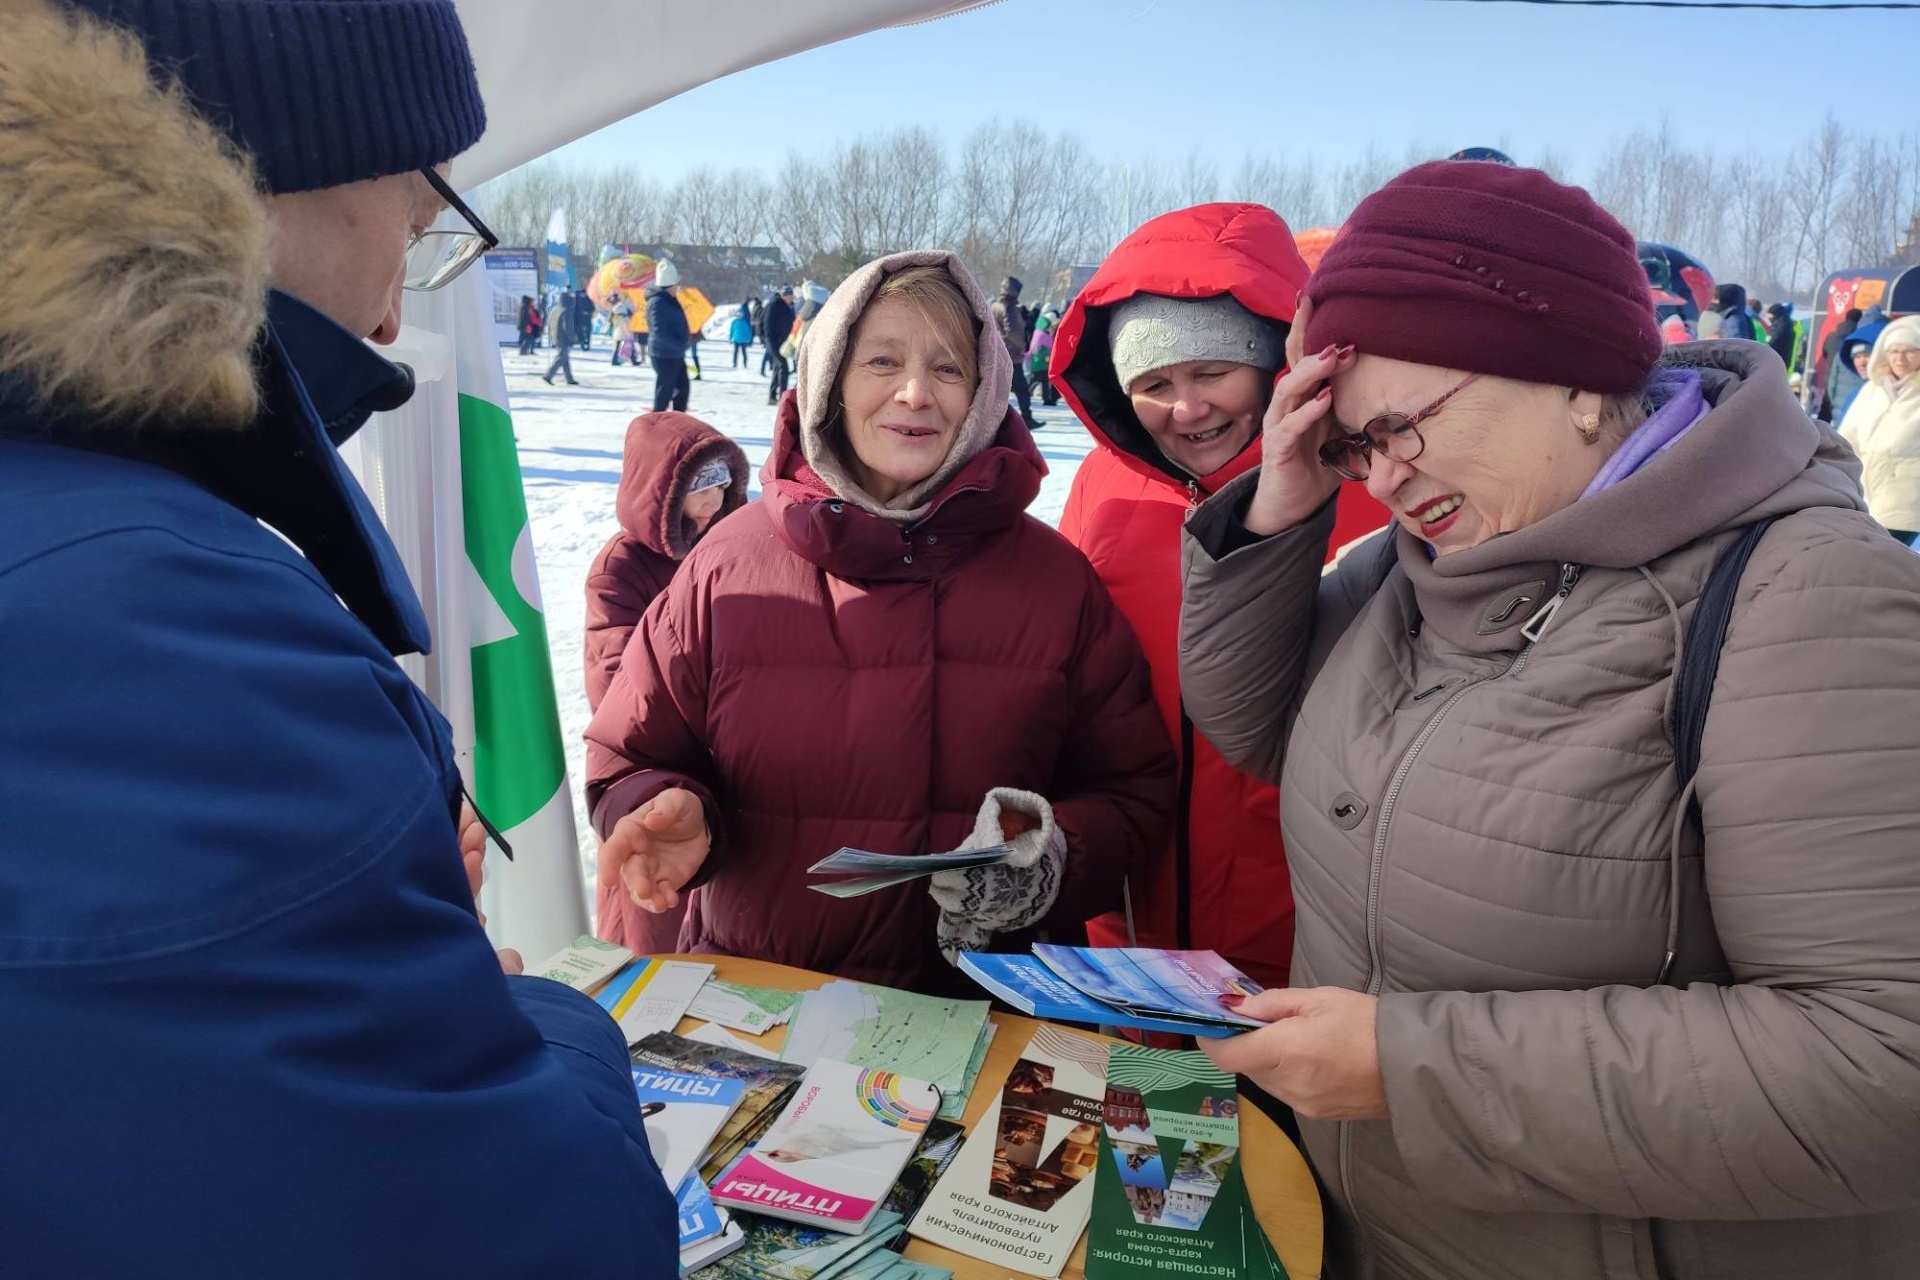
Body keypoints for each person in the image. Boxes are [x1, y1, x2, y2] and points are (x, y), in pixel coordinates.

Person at [0, 0, 679, 1274]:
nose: (386, 324)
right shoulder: (171, 625)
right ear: (262, 175)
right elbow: (537, 1237)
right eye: (418, 230)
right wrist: (537, 1012)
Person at [1179, 161, 1920, 1279]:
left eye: (1402, 428)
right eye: (1353, 448)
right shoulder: (1419, 558)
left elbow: (1884, 1063)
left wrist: (1410, 1067)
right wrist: (1286, 500)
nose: (1383, 478)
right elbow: (1256, 721)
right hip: (1381, 1230)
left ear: (1573, 377)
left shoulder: (1809, 595)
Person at [585, 251, 1174, 994]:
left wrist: (1052, 861)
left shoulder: (1057, 583)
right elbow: (626, 752)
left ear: (987, 388)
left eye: (950, 368)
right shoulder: (724, 566)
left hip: (983, 1018)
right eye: (882, 360)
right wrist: (664, 805)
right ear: (830, 378)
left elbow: (1132, 790)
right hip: (763, 1010)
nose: (915, 393)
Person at [1053, 203, 1393, 991]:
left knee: (1277, 1115)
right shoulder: (1104, 485)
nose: (1188, 407)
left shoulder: (1367, 483)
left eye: (1212, 372)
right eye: (1154, 383)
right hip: (1128, 930)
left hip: (1303, 933)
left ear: (1275, 361)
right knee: (1141, 1110)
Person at [583, 411, 747, 987]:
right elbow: (614, 678)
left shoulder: (735, 546)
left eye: (723, 482)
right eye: (700, 486)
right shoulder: (621, 568)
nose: (716, 498)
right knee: (653, 924)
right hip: (655, 763)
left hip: (724, 771)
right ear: (662, 492)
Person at [1839, 315, 1920, 545]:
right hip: (1866, 495)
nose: (1900, 358)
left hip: (1908, 503)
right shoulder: (1872, 390)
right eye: (1894, 351)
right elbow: (1847, 438)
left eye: (1909, 351)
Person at [994, 275, 1041, 431]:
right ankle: (1026, 418)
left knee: (1000, 390)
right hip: (1012, 355)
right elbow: (1013, 331)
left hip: (1000, 352)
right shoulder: (1008, 307)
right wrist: (1022, 346)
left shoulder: (995, 305)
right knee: (1021, 390)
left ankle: (998, 419)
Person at [647, 261, 692, 412]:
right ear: (669, 285)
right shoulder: (658, 302)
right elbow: (659, 331)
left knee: (682, 388)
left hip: (674, 354)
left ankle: (678, 419)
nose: (678, 288)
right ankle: (657, 422)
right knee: (665, 391)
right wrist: (679, 344)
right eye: (676, 285)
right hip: (664, 354)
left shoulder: (669, 300)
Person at [763, 283, 796, 405]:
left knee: (778, 368)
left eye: (791, 296)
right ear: (783, 296)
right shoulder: (774, 306)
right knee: (784, 367)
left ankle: (772, 396)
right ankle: (782, 397)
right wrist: (770, 342)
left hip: (784, 342)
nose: (791, 299)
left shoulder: (789, 307)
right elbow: (768, 325)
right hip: (774, 342)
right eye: (789, 296)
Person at [543, 290, 579, 385]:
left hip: (556, 337)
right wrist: (573, 338)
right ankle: (548, 375)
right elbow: (567, 327)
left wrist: (551, 336)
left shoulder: (556, 309)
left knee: (564, 358)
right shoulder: (567, 311)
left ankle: (569, 378)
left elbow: (550, 323)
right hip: (563, 338)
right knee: (561, 358)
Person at [1766, 301, 1798, 371]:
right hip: (1782, 361)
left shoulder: (1780, 326)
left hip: (1777, 361)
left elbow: (1773, 341)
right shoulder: (1785, 323)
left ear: (1775, 314)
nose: (1768, 318)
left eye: (1770, 315)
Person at [611, 295, 637, 365]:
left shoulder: (616, 316)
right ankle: (634, 361)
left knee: (617, 348)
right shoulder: (625, 318)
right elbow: (626, 327)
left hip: (617, 335)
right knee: (630, 346)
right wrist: (630, 335)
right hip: (624, 334)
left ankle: (614, 360)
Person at [729, 302, 755, 367]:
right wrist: (730, 338)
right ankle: (734, 363)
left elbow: (748, 331)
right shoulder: (734, 322)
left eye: (740, 315)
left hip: (743, 340)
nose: (739, 316)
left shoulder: (745, 322)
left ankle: (745, 363)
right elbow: (732, 330)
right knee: (735, 352)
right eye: (738, 315)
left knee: (744, 352)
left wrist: (749, 338)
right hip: (736, 339)